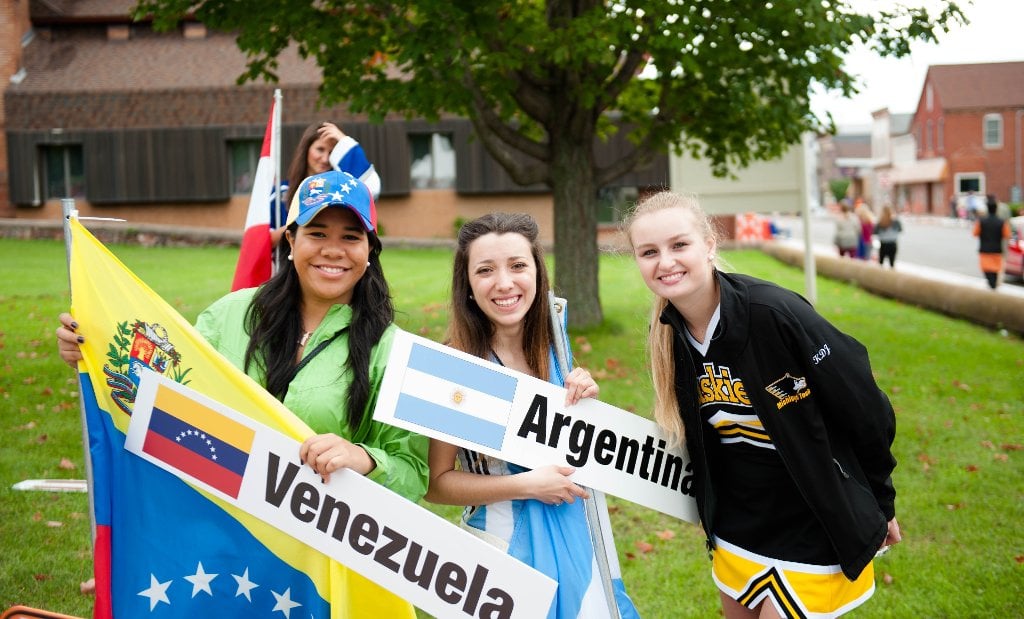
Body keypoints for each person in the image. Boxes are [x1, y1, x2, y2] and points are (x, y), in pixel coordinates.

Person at [58, 170, 429, 500]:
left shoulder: (392, 349)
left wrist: (364, 458)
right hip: (224, 531)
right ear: (291, 241)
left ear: (369, 252)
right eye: (317, 233)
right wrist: (93, 347)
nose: (333, 250)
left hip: (319, 556)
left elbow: (413, 473)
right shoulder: (231, 315)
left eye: (351, 237)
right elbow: (164, 389)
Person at [623, 191, 901, 618]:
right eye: (649, 252)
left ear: (710, 244)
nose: (666, 262)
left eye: (679, 245)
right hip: (739, 526)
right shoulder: (671, 335)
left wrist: (880, 503)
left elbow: (866, 408)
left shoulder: (776, 313)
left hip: (811, 523)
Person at [424, 212, 638, 619]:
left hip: (581, 527)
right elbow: (437, 484)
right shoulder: (454, 365)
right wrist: (526, 485)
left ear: (538, 274)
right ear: (467, 284)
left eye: (518, 266)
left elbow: (572, 439)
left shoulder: (554, 340)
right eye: (485, 270)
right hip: (508, 541)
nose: (504, 283)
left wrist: (584, 394)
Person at [269, 121, 382, 247]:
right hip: (286, 265)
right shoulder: (282, 192)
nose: (325, 159)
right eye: (320, 150)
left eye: (332, 152)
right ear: (306, 150)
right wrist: (304, 221)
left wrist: (344, 141)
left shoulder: (339, 192)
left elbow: (371, 189)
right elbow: (261, 241)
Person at [972, 194, 1011, 290]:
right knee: (995, 272)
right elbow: (1007, 235)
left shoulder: (981, 221)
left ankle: (992, 285)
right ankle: (993, 286)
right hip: (997, 250)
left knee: (987, 272)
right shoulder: (1001, 222)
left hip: (984, 250)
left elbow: (975, 233)